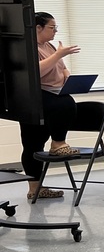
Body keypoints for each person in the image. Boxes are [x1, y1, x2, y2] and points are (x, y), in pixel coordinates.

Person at [19, 12, 81, 200]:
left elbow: (61, 67)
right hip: (36, 99)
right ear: (38, 28)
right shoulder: (28, 47)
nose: (55, 31)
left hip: (55, 93)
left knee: (65, 102)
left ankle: (57, 143)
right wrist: (59, 54)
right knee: (32, 145)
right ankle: (35, 187)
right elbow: (36, 72)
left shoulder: (50, 46)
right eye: (52, 27)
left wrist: (67, 74)